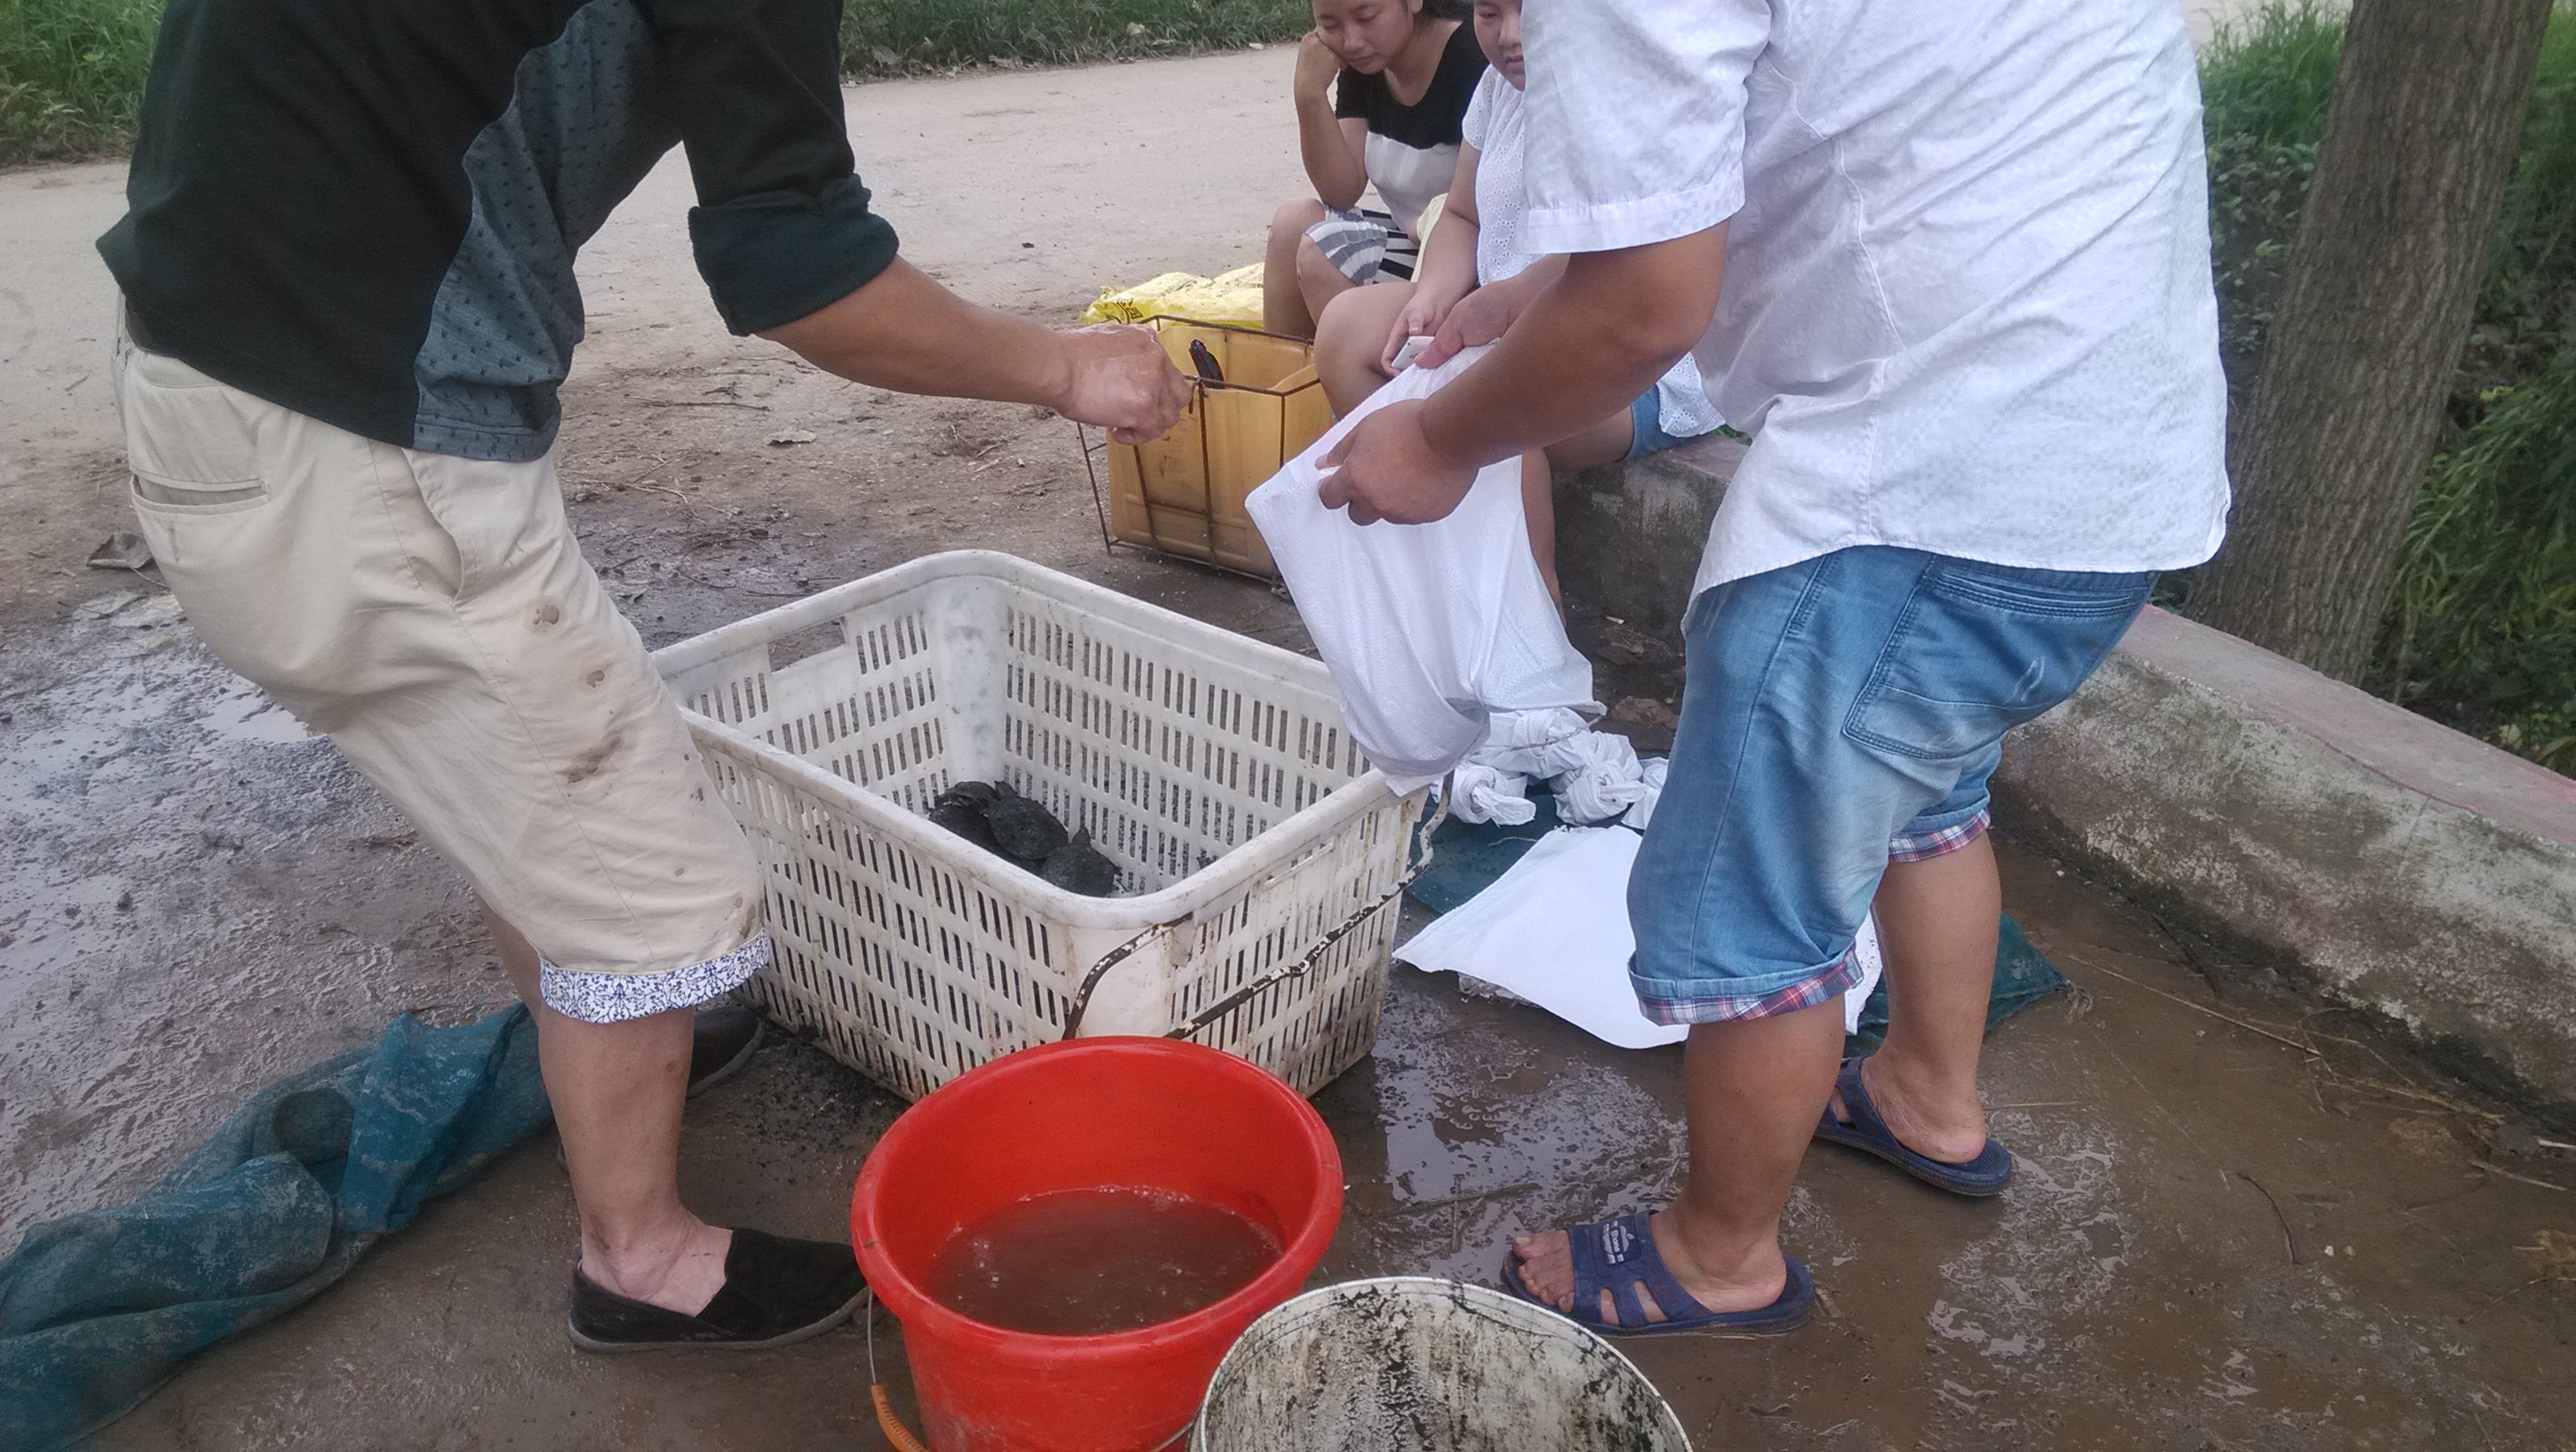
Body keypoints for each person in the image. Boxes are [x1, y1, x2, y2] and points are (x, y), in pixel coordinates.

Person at [97, 0, 1188, 1353]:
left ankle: (610, 1044)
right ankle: (640, 1260)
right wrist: (1066, 367)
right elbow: (803, 273)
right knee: (655, 890)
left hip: (213, 396)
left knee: (525, 790)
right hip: (364, 449)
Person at [1317, 0, 2229, 1334]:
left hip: (1917, 491)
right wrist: (1534, 301)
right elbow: (1862, 143)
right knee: (1922, 792)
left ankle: (1716, 1254)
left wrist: (1435, 441)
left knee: (1744, 895)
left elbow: (1642, 307)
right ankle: (1925, 1095)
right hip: (2094, 477)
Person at [1308, 0, 1721, 598]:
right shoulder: (1498, 88)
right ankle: (1422, 561)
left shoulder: (1635, 92)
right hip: (1497, 321)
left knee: (1487, 382)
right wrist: (1433, 296)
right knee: (1349, 328)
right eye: (1489, 12)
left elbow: (1640, 260)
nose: (1509, 37)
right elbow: (1460, 213)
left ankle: (1529, 616)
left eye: (1531, 12)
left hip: (1636, 358)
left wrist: (1514, 299)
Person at [1262, 0, 1485, 339]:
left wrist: (1428, 227)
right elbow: (1341, 189)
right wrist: (1309, 95)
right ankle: (1283, 381)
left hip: (1465, 260)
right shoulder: (1366, 65)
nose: (1351, 40)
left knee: (1329, 249)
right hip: (1413, 241)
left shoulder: (1471, 60)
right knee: (1293, 223)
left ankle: (1369, 380)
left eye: (1366, 17)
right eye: (1330, 25)